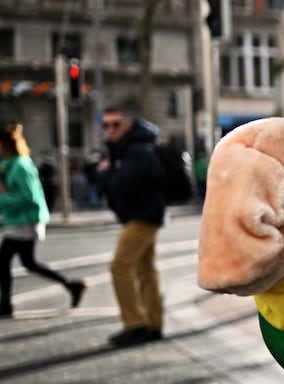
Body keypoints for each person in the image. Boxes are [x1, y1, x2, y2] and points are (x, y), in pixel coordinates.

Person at [96, 104, 166, 346]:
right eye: (105, 125)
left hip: (143, 216)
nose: (110, 130)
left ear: (128, 124)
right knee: (146, 270)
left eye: (115, 124)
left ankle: (135, 324)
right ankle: (154, 324)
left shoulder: (137, 150)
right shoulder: (127, 149)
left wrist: (104, 174)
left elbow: (124, 185)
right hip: (143, 215)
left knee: (120, 266)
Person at [0, 123, 86, 317]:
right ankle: (72, 285)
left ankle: (5, 304)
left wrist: (1, 200)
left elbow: (27, 197)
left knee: (6, 261)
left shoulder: (21, 165)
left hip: (26, 220)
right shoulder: (10, 164)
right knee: (27, 262)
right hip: (17, 220)